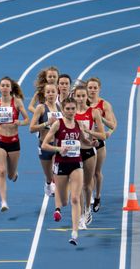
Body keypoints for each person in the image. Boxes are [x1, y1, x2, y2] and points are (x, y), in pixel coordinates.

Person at [42, 97, 105, 245]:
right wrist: (59, 149)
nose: (70, 111)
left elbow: (84, 141)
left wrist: (92, 143)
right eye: (68, 109)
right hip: (61, 163)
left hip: (76, 163)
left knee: (75, 198)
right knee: (64, 201)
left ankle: (74, 232)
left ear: (76, 109)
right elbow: (45, 144)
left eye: (73, 109)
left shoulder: (78, 124)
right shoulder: (58, 124)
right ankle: (58, 209)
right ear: (63, 110)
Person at [0, 76, 30, 212]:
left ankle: (14, 175)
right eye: (2, 85)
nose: (4, 88)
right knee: (1, 171)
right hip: (0, 140)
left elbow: (27, 119)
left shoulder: (18, 102)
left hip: (14, 141)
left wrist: (19, 122)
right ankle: (3, 202)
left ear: (11, 88)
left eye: (7, 85)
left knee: (10, 175)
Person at [73, 85, 104, 229]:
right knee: (78, 186)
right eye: (78, 96)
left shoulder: (94, 112)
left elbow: (102, 135)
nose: (80, 99)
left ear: (87, 97)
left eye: (83, 96)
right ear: (74, 97)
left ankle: (87, 210)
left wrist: (89, 132)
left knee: (86, 185)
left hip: (90, 151)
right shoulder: (69, 112)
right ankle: (80, 217)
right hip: (75, 152)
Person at [86, 77, 117, 213]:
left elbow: (113, 124)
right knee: (87, 173)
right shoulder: (81, 102)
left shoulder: (104, 105)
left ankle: (97, 196)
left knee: (96, 172)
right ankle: (89, 196)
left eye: (95, 88)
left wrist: (101, 118)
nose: (92, 90)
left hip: (98, 142)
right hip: (84, 142)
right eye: (90, 88)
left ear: (99, 89)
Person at [29, 83, 62, 197]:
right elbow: (31, 128)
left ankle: (57, 198)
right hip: (44, 145)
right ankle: (48, 183)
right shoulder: (41, 108)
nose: (51, 94)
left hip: (57, 145)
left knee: (55, 171)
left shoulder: (60, 107)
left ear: (57, 92)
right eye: (48, 92)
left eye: (53, 91)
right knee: (48, 175)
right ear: (44, 94)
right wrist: (47, 123)